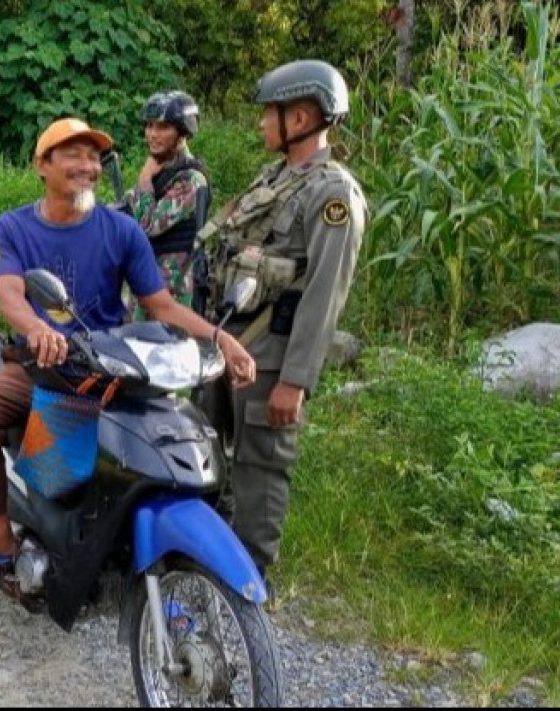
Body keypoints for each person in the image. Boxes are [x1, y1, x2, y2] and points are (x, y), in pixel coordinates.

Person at [0, 118, 256, 580]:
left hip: (110, 367)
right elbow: (9, 293)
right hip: (40, 365)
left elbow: (162, 305)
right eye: (73, 154)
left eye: (93, 157)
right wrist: (37, 329)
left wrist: (221, 339)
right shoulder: (13, 227)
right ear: (42, 165)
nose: (88, 166)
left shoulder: (121, 230)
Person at [196, 59, 367, 579]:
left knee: (261, 468)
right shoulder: (275, 177)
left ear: (300, 118)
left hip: (270, 355)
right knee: (208, 451)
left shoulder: (333, 194)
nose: (261, 123)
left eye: (269, 113)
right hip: (228, 345)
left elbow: (324, 294)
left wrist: (295, 380)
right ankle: (206, 560)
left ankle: (249, 580)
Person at [116, 90, 212, 317]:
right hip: (146, 289)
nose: (152, 134)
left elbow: (148, 225)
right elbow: (124, 209)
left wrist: (144, 181)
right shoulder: (161, 173)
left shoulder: (191, 180)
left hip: (173, 296)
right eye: (149, 126)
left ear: (182, 132)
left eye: (163, 127)